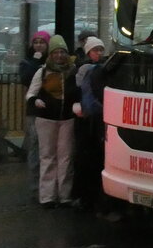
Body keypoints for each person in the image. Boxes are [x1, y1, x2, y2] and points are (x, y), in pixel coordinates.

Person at [25, 34, 81, 208]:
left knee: (66, 157)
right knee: (47, 156)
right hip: (46, 118)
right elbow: (31, 93)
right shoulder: (42, 71)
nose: (59, 55)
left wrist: (78, 103)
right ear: (50, 54)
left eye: (62, 52)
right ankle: (47, 196)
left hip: (67, 118)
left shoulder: (74, 71)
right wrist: (35, 101)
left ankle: (64, 196)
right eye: (56, 52)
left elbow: (79, 91)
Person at [73, 36, 109, 213]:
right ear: (88, 52)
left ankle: (88, 197)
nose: (99, 53)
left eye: (101, 49)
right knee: (90, 158)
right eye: (96, 50)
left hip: (91, 119)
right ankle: (90, 198)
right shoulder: (89, 69)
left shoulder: (94, 69)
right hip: (91, 120)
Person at [17, 30, 50, 203]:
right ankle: (35, 188)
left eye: (42, 42)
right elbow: (25, 79)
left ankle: (48, 187)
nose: (38, 45)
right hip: (34, 111)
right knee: (35, 147)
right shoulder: (27, 62)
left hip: (50, 109)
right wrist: (36, 62)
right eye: (36, 42)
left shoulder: (52, 62)